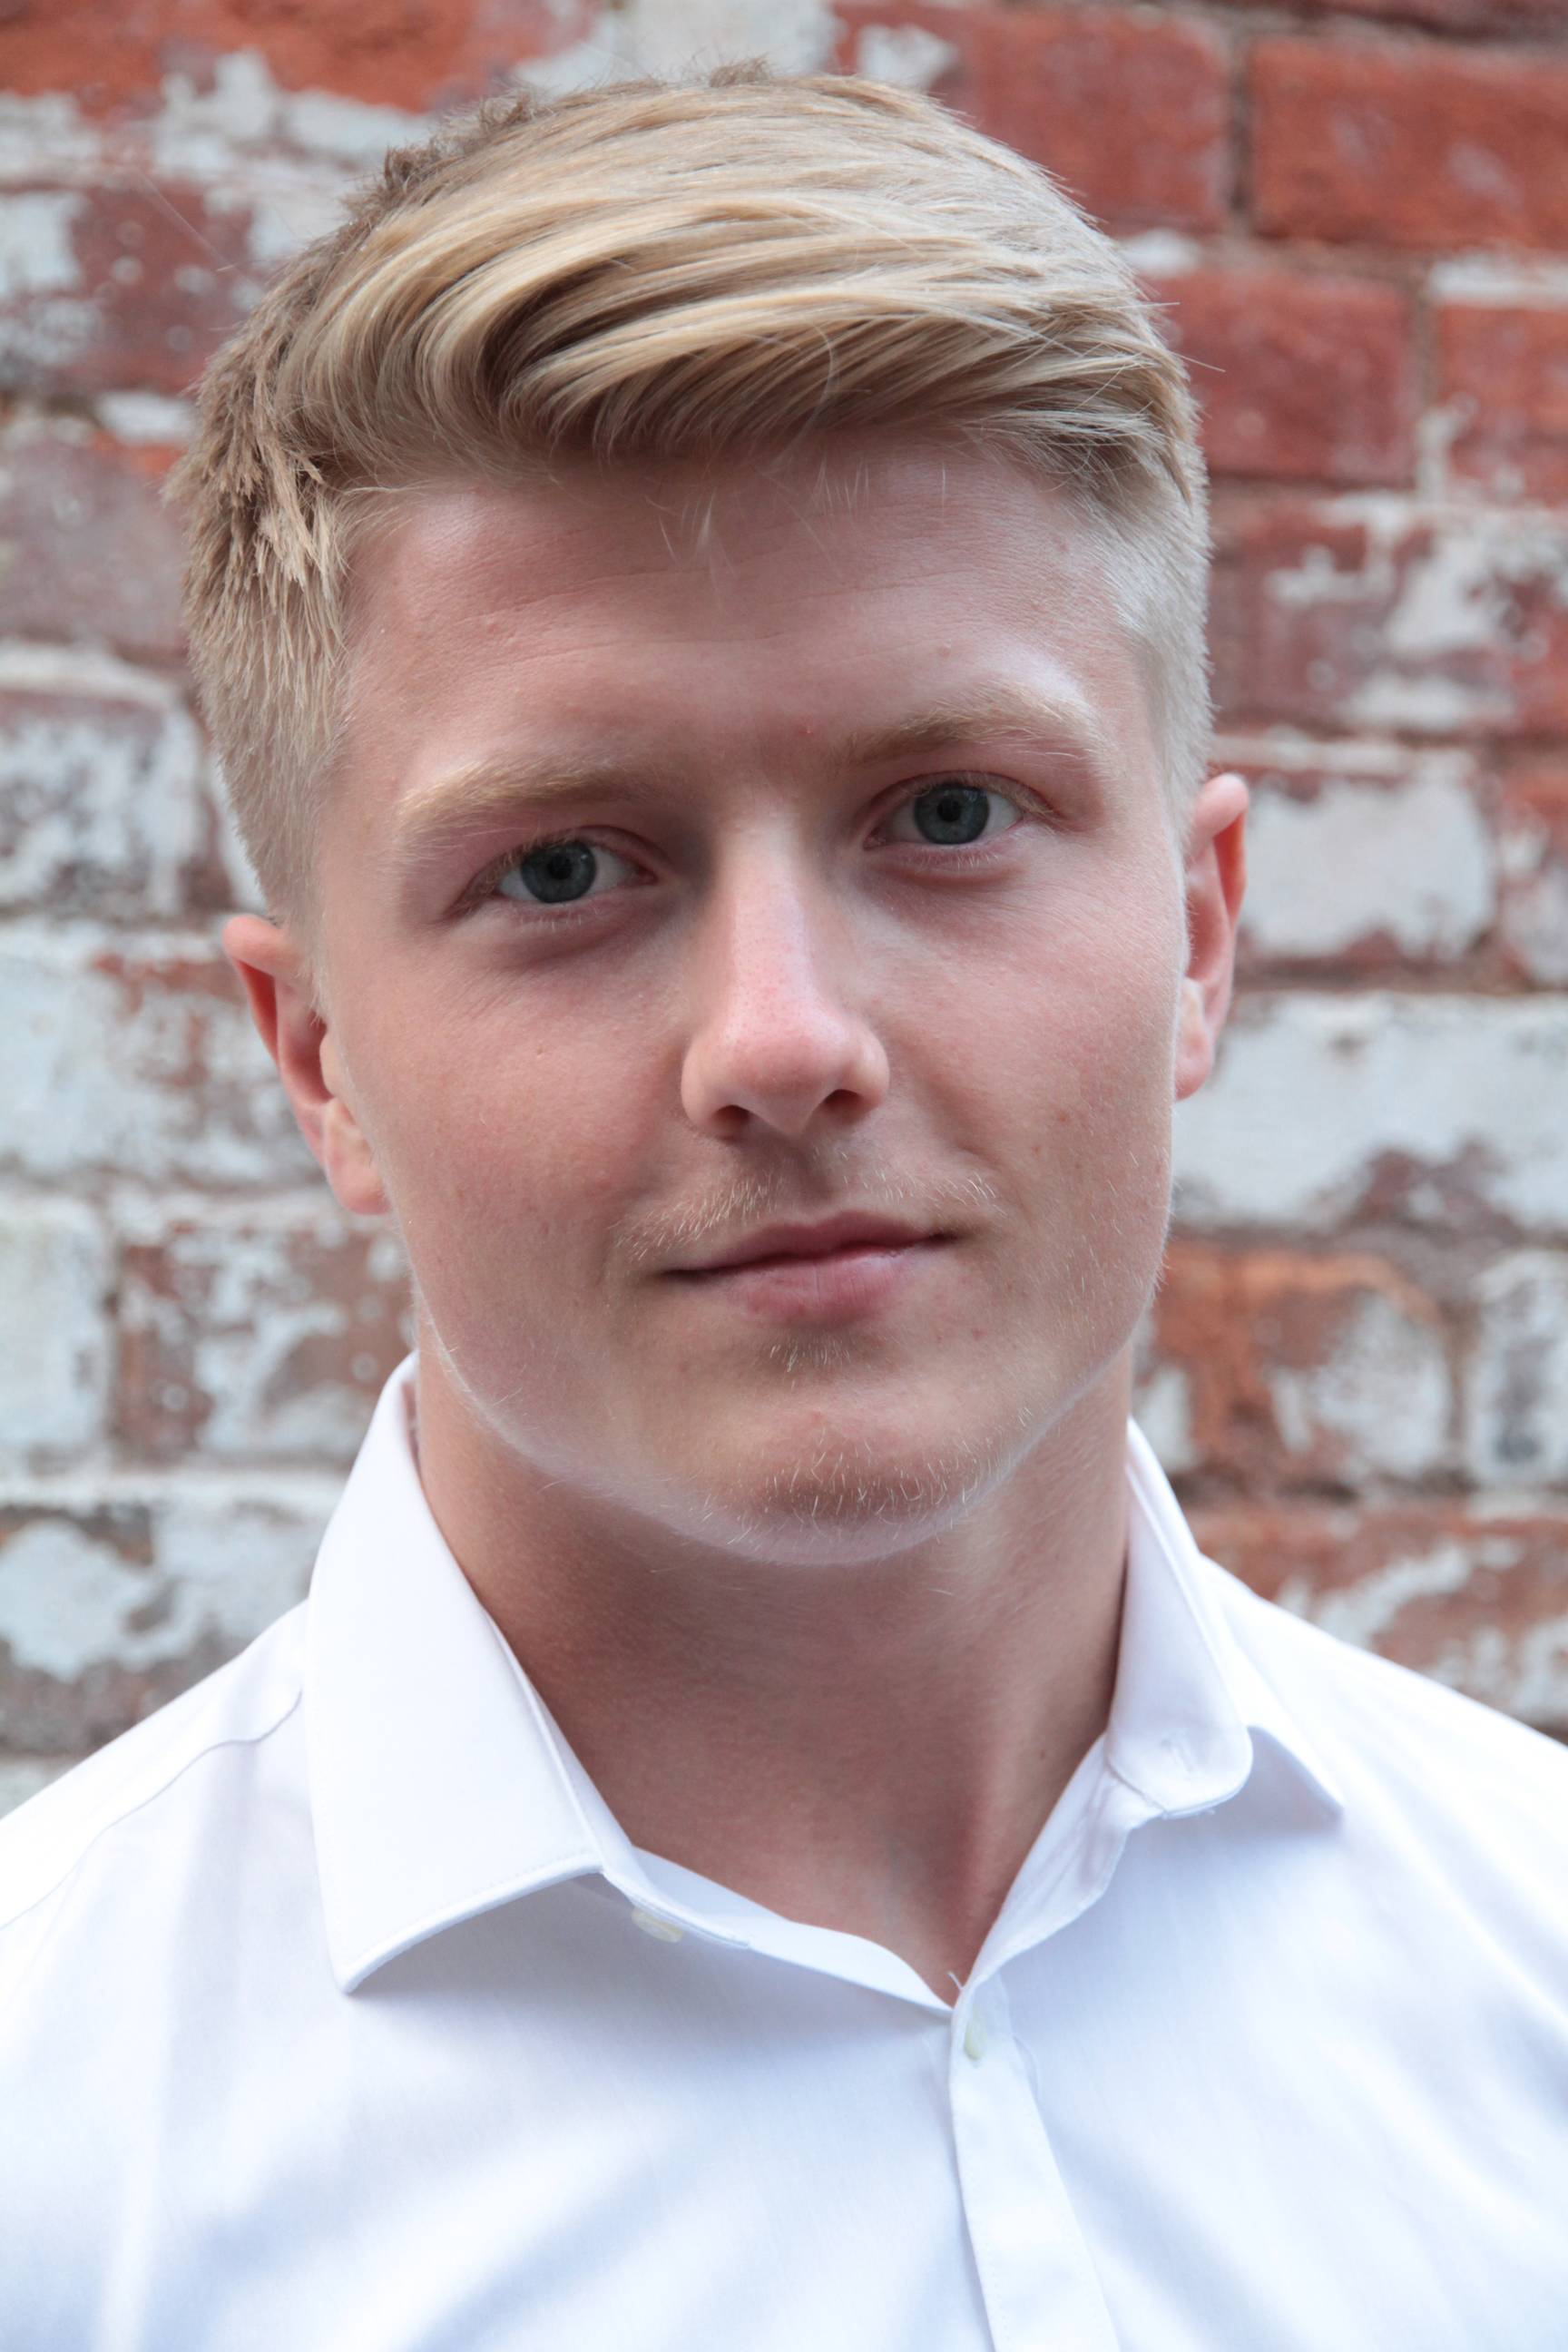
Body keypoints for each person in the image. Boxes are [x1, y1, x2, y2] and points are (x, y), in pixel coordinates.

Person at [2, 64, 1564, 2350]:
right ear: (318, 1061)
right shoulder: (52, 2156)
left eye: (950, 814)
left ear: (1202, 935)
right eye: (564, 867)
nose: (781, 1039)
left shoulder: (1532, 1959)